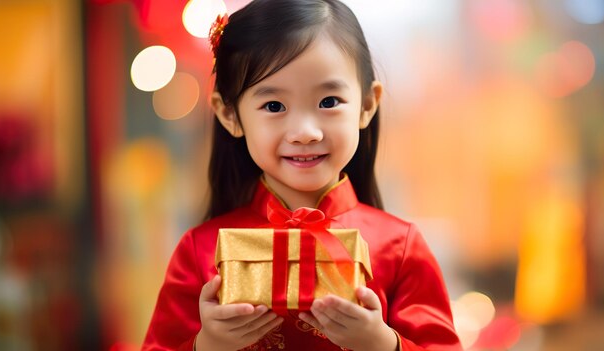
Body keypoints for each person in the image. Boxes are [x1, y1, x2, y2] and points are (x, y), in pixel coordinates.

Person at [143, 0, 462, 350]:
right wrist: (206, 345)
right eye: (274, 106)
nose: (305, 132)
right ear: (230, 114)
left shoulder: (400, 248)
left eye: (328, 102)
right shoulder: (199, 250)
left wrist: (384, 343)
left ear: (367, 105)